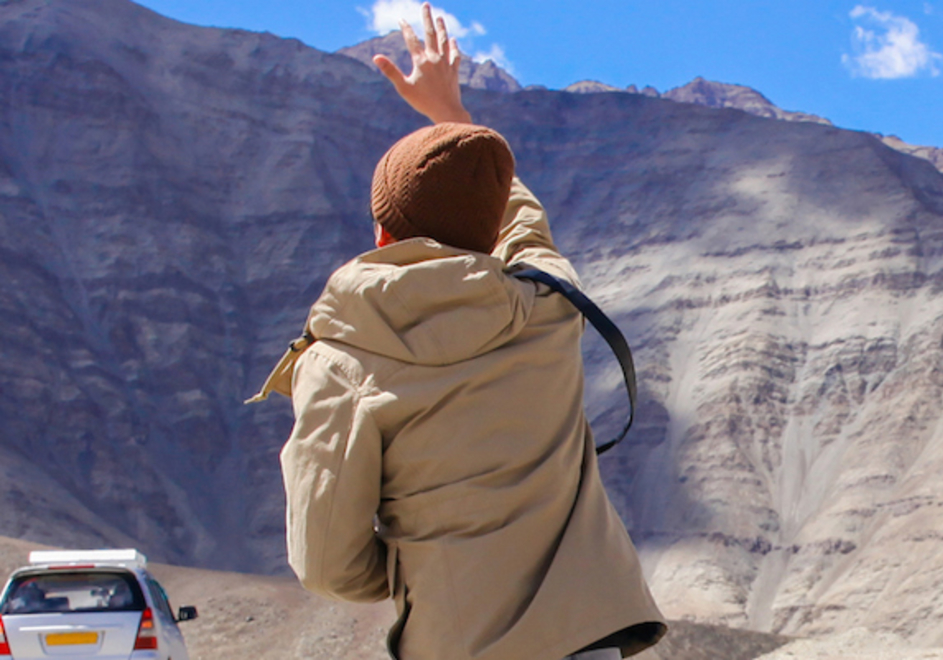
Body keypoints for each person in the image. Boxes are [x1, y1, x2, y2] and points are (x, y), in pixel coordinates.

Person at [251, 4, 666, 659]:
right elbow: (522, 221)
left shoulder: (341, 361)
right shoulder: (549, 305)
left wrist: (423, 570)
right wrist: (453, 116)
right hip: (588, 640)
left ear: (383, 234)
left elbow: (327, 561)